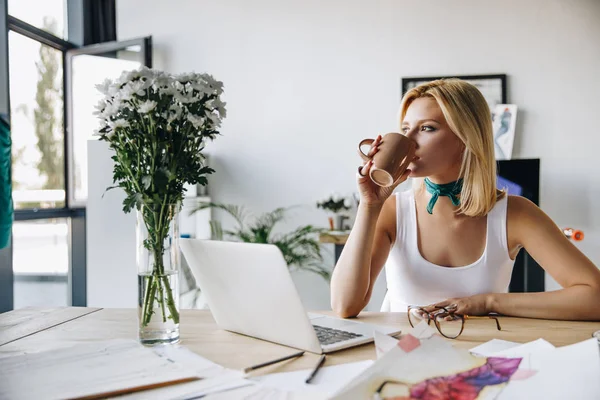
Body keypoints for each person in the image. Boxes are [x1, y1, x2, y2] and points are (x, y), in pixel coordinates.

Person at [330, 79, 600, 320]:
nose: (409, 141)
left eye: (426, 128)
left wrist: (489, 302)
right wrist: (369, 205)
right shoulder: (392, 210)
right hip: (402, 355)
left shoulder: (515, 214)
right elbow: (344, 306)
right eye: (405, 128)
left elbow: (594, 296)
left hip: (479, 359)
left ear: (466, 137)